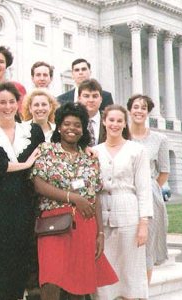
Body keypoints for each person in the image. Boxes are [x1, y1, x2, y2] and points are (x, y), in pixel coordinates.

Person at [31, 102, 118, 300]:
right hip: (53, 224)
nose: (72, 128)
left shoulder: (90, 158)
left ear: (83, 129)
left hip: (84, 226)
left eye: (77, 125)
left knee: (79, 284)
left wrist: (100, 233)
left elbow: (94, 195)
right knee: (51, 279)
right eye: (67, 124)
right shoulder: (46, 150)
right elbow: (38, 184)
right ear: (59, 126)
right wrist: (74, 198)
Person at [0, 82, 45, 300]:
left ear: (18, 104)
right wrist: (25, 165)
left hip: (27, 202)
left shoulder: (32, 130)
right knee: (1, 256)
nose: (7, 106)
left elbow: (45, 160)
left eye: (11, 102)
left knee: (25, 254)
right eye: (2, 102)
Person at [94, 104, 153, 300]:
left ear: (124, 124)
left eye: (119, 121)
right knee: (105, 271)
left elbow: (144, 188)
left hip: (129, 213)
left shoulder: (136, 150)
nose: (115, 124)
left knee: (130, 271)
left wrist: (143, 222)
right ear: (104, 121)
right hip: (102, 215)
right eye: (111, 120)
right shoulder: (94, 152)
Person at [127, 94, 170, 284]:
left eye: (143, 108)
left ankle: (143, 292)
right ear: (129, 110)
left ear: (148, 112)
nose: (139, 111)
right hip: (125, 195)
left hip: (150, 199)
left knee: (147, 249)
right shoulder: (121, 134)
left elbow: (164, 172)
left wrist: (149, 190)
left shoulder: (159, 138)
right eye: (135, 107)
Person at [77, 79, 106, 146]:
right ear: (79, 99)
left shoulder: (109, 119)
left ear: (101, 99)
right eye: (86, 96)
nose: (91, 100)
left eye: (95, 96)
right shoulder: (72, 120)